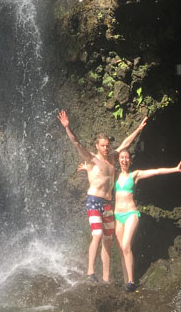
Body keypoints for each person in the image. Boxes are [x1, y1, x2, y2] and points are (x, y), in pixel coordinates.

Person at [57, 110, 148, 283]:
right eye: (103, 145)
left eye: (107, 145)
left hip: (108, 204)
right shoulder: (91, 159)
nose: (106, 148)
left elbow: (126, 143)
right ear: (97, 146)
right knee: (97, 234)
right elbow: (77, 143)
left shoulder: (113, 159)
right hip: (94, 201)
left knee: (108, 240)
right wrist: (67, 128)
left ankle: (106, 278)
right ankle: (91, 272)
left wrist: (138, 129)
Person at [114, 148, 181, 291]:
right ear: (119, 160)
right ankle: (126, 281)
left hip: (131, 214)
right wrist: (88, 167)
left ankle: (131, 281)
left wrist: (175, 169)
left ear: (130, 160)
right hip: (117, 216)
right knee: (121, 250)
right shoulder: (115, 176)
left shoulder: (134, 175)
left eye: (127, 158)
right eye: (122, 157)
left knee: (125, 246)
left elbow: (156, 171)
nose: (124, 160)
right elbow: (100, 172)